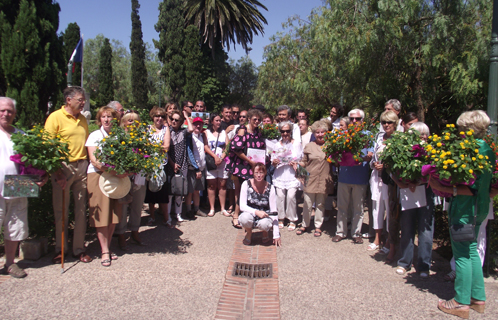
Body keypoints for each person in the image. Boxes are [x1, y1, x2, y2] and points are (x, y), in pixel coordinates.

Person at [429, 111, 494, 318]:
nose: (458, 132)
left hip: (465, 210)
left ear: (467, 129)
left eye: (460, 129)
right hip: (480, 208)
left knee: (463, 255)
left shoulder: (470, 150)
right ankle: (477, 298)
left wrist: (443, 186)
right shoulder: (488, 149)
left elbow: (470, 188)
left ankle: (460, 302)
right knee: (472, 250)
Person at [0, 97, 48, 277]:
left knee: (15, 226)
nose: (6, 114)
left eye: (10, 111)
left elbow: (35, 163)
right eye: (2, 110)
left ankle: (10, 264)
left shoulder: (22, 135)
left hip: (17, 186)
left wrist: (42, 176)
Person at [44, 86, 92, 264]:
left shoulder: (83, 120)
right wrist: (57, 172)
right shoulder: (55, 117)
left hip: (82, 166)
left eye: (84, 100)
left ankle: (78, 249)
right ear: (68, 100)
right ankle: (61, 249)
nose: (83, 103)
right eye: (80, 100)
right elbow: (48, 146)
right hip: (63, 168)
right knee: (61, 210)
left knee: (80, 210)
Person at [86, 106, 130, 266]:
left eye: (109, 117)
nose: (106, 120)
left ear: (115, 119)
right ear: (99, 119)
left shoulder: (119, 136)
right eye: (103, 117)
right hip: (98, 176)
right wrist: (114, 171)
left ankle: (108, 246)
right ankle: (104, 250)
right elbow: (94, 161)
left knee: (114, 215)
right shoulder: (94, 136)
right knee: (102, 215)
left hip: (115, 177)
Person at [393, 122, 434, 278]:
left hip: (426, 191)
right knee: (407, 227)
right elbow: (394, 170)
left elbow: (434, 172)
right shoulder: (404, 150)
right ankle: (404, 262)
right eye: (420, 134)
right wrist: (405, 183)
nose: (423, 137)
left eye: (425, 134)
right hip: (408, 192)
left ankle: (424, 265)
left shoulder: (432, 152)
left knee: (425, 229)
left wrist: (419, 182)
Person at [332, 109, 373, 244]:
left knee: (358, 208)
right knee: (342, 206)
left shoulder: (368, 136)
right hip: (344, 176)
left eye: (357, 118)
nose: (354, 121)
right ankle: (340, 232)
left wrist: (367, 157)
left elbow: (371, 155)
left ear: (362, 120)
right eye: (352, 119)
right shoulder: (342, 135)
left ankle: (356, 233)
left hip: (360, 177)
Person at [226, 108, 266, 229]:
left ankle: (248, 216)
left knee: (251, 191)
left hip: (253, 166)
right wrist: (250, 161)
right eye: (255, 119)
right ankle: (236, 216)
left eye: (259, 120)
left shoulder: (258, 132)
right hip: (242, 166)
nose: (257, 121)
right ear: (249, 118)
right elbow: (236, 149)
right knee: (241, 191)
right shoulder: (242, 130)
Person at [295, 121, 334, 236]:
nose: (320, 134)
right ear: (314, 133)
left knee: (320, 204)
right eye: (317, 132)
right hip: (310, 178)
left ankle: (318, 226)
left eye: (322, 132)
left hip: (324, 179)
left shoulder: (331, 146)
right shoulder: (309, 146)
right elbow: (304, 162)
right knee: (307, 203)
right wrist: (296, 165)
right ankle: (304, 225)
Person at [368, 111, 398, 251]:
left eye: (389, 122)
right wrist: (374, 164)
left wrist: (386, 166)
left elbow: (399, 162)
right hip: (376, 178)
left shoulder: (398, 139)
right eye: (384, 122)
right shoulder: (379, 137)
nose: (386, 125)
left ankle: (389, 241)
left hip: (390, 180)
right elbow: (374, 157)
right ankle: (377, 238)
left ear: (395, 124)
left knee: (389, 209)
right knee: (377, 208)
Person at [238, 163, 281, 247]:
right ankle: (249, 232)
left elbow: (274, 211)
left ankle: (265, 232)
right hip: (250, 213)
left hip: (265, 215)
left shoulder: (270, 187)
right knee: (244, 218)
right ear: (252, 173)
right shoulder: (246, 184)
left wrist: (276, 235)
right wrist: (256, 212)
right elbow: (242, 206)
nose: (258, 175)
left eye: (261, 173)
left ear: (265, 173)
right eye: (256, 173)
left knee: (265, 224)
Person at [272, 121, 303, 231]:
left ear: (291, 132)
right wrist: (275, 162)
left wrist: (296, 163)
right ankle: (281, 217)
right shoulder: (276, 145)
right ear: (280, 132)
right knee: (280, 196)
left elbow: (301, 159)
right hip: (280, 174)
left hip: (292, 174)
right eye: (283, 131)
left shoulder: (297, 144)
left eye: (287, 131)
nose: (285, 133)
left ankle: (292, 218)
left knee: (291, 197)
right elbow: (273, 160)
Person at [144, 107, 171, 226]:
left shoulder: (166, 129)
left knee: (163, 193)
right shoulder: (147, 129)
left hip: (162, 165)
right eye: (157, 116)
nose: (159, 118)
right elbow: (144, 146)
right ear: (153, 117)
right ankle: (152, 216)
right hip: (150, 164)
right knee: (150, 192)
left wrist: (152, 146)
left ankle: (166, 217)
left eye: (161, 116)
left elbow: (166, 147)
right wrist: (158, 146)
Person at [168, 110, 194, 222]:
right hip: (170, 163)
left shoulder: (183, 132)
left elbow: (191, 129)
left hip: (182, 165)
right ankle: (167, 214)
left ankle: (178, 213)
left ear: (180, 122)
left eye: (177, 120)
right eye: (172, 119)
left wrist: (186, 116)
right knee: (169, 192)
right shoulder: (167, 131)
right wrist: (172, 164)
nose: (174, 121)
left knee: (180, 191)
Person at [204, 114, 229, 217]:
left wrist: (221, 158)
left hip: (222, 162)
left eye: (219, 121)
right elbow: (205, 146)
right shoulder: (207, 133)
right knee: (211, 185)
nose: (219, 122)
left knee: (222, 185)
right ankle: (212, 208)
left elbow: (228, 146)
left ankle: (223, 208)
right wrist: (215, 157)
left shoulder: (224, 133)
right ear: (212, 122)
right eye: (216, 120)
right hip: (211, 161)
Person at [185, 117, 207, 218]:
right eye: (196, 124)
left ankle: (196, 209)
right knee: (190, 190)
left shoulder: (201, 136)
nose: (198, 126)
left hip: (201, 168)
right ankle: (188, 210)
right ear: (192, 125)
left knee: (197, 190)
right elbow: (190, 153)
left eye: (200, 124)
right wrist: (196, 168)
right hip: (193, 169)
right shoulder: (190, 137)